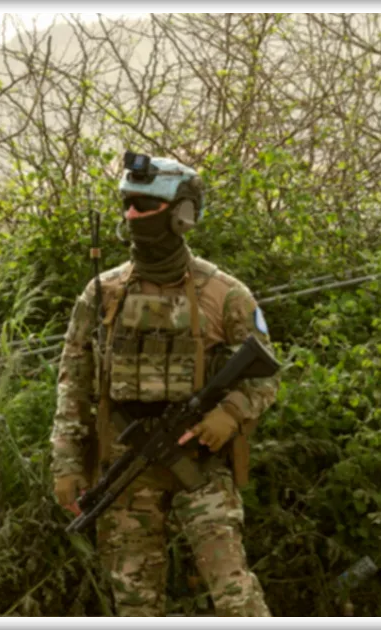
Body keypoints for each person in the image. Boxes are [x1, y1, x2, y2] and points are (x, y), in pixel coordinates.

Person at [50, 151, 277, 616]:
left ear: (182, 215)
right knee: (135, 602)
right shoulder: (103, 294)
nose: (133, 216)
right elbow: (73, 384)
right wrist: (67, 463)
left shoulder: (225, 293)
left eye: (145, 206)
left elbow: (268, 374)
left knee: (234, 593)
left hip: (201, 461)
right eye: (128, 206)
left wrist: (230, 414)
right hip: (127, 466)